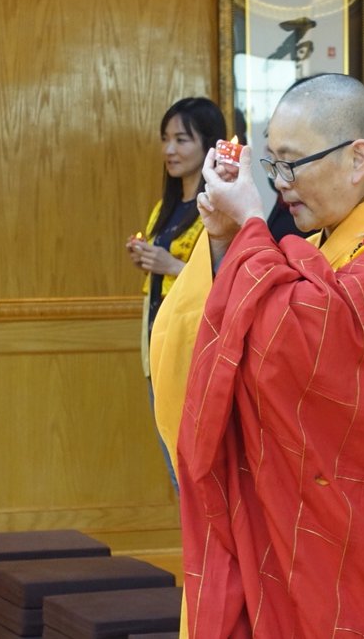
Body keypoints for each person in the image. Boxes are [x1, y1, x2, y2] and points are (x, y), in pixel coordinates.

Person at [177, 73, 364, 637]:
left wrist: (254, 225)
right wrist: (232, 238)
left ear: (357, 160)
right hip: (301, 539)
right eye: (271, 166)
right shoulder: (328, 247)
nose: (280, 184)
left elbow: (296, 350)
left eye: (292, 164)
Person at [126, 97, 224, 486]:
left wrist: (171, 266)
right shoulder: (163, 208)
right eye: (165, 138)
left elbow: (226, 281)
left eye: (182, 139)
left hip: (195, 349)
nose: (170, 150)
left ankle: (204, 548)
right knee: (173, 463)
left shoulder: (217, 209)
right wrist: (147, 260)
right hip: (158, 347)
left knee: (196, 468)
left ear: (208, 145)